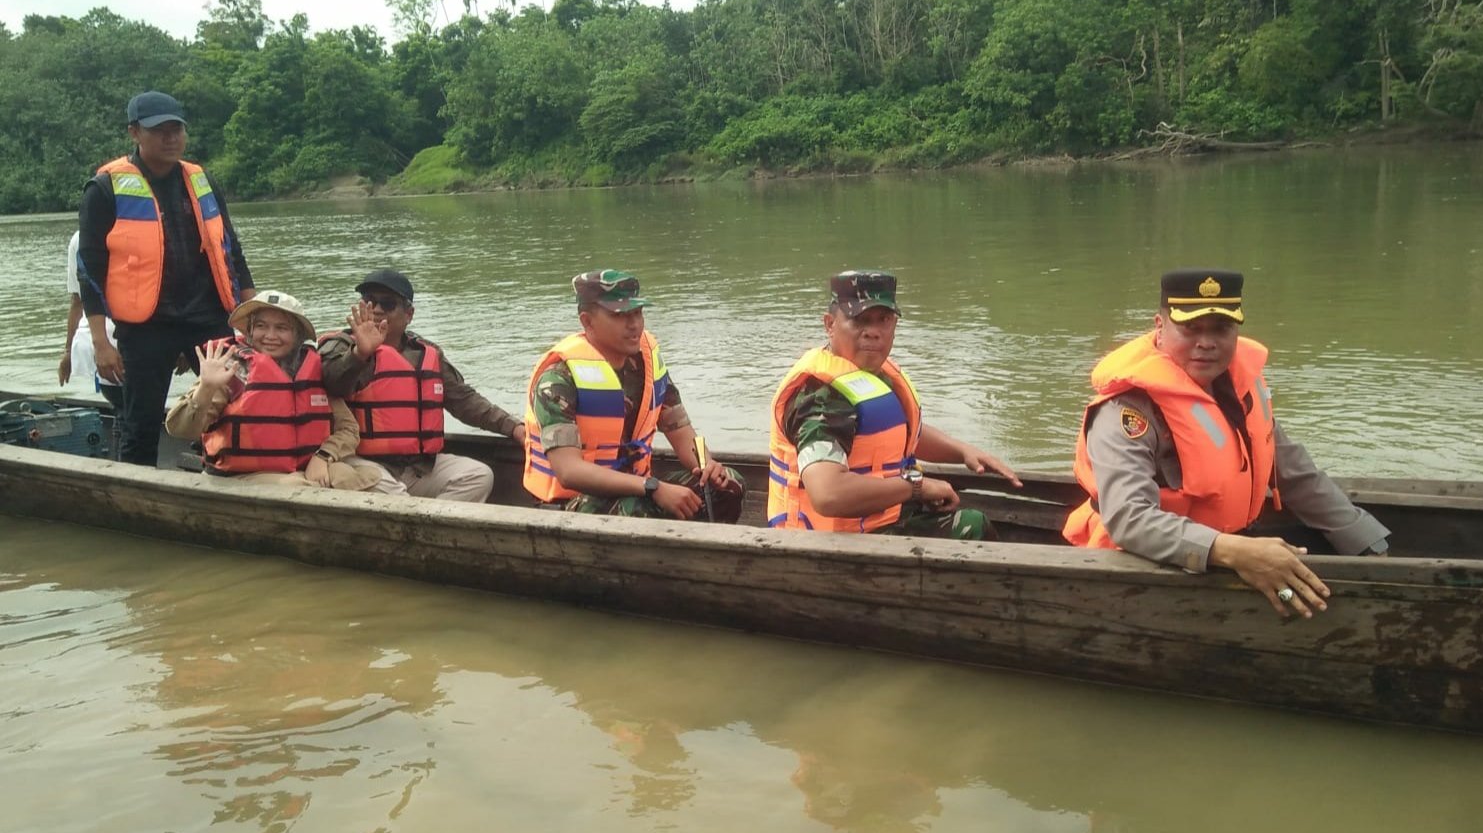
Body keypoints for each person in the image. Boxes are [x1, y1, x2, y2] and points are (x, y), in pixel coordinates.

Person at [1062, 268, 1390, 618]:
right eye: (1191, 329)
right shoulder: (1126, 410)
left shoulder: (1236, 387)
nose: (1207, 342)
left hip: (1223, 549)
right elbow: (1129, 518)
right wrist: (1234, 552)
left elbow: (1295, 473)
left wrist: (1368, 545)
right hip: (1133, 566)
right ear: (1160, 327)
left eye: (1221, 329)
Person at [768, 270, 1020, 539]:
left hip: (881, 518)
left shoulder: (874, 373)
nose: (874, 333)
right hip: (826, 543)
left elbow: (896, 433)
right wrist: (917, 487)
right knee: (971, 526)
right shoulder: (820, 398)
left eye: (884, 320)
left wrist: (962, 452)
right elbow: (828, 494)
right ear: (830, 324)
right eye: (860, 320)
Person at [76, 91, 255, 467]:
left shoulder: (201, 179)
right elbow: (90, 271)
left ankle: (228, 476)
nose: (171, 138)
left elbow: (230, 248)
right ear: (134, 133)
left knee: (237, 402)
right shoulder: (105, 189)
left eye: (177, 129)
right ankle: (134, 493)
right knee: (141, 419)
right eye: (160, 130)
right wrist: (100, 343)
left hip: (207, 316)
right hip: (146, 326)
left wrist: (251, 313)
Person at [523, 270, 746, 520]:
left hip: (639, 488)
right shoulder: (558, 379)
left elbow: (680, 429)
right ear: (587, 321)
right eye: (620, 316)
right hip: (573, 504)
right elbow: (568, 471)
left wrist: (706, 465)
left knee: (728, 483)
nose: (635, 325)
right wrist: (652, 487)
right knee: (637, 510)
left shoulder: (647, 364)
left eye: (638, 313)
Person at [319, 269, 520, 502]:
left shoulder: (426, 352)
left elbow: (463, 400)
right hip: (359, 461)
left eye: (388, 303)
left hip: (418, 466)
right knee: (391, 492)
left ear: (409, 314)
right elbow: (330, 383)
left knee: (478, 476)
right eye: (370, 301)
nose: (376, 309)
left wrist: (514, 427)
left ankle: (430, 531)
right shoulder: (340, 347)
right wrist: (359, 354)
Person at [164, 291, 379, 490]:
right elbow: (180, 429)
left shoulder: (312, 370)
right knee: (300, 487)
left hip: (303, 468)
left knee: (361, 476)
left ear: (297, 336)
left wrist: (323, 456)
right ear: (249, 332)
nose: (270, 335)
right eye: (261, 326)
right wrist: (206, 388)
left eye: (281, 328)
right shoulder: (232, 370)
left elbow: (348, 429)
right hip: (239, 477)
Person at [58, 230, 123, 410]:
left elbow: (77, 302)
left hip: (94, 343)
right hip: (115, 342)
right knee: (135, 411)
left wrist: (68, 351)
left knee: (126, 410)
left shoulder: (80, 237)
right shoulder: (141, 226)